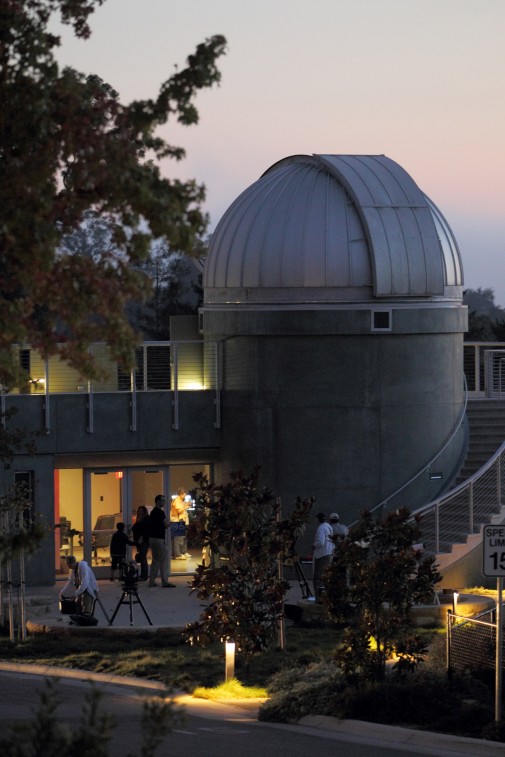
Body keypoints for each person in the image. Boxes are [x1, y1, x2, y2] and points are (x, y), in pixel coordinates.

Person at [148, 494, 175, 588]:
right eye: (162, 500)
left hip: (152, 538)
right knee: (164, 559)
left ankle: (151, 581)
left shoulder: (152, 512)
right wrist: (171, 521)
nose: (164, 502)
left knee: (155, 560)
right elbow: (166, 524)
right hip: (159, 539)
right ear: (158, 501)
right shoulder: (160, 512)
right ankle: (165, 581)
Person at [312, 512, 333, 602]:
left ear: (318, 519)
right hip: (329, 554)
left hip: (322, 555)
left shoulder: (321, 528)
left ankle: (319, 599)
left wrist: (313, 545)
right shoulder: (329, 528)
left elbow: (320, 542)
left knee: (318, 578)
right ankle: (326, 597)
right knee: (325, 577)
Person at [170, 487, 191, 560]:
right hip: (177, 521)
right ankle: (178, 554)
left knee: (182, 538)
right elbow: (179, 510)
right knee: (178, 538)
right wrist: (186, 506)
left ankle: (180, 552)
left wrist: (185, 505)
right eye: (184, 494)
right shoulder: (177, 500)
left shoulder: (180, 500)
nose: (185, 496)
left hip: (180, 521)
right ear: (181, 494)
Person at [132, 505, 150, 580]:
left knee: (143, 557)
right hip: (138, 541)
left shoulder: (146, 519)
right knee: (142, 557)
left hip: (143, 541)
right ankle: (143, 574)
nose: (139, 512)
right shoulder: (138, 519)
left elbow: (145, 530)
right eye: (139, 510)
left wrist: (141, 538)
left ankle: (144, 575)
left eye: (141, 510)